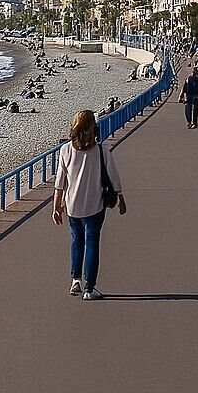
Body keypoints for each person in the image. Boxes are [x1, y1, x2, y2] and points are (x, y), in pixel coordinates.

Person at [52, 109, 127, 301]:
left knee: (77, 242)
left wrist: (56, 207)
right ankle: (89, 288)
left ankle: (75, 279)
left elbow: (60, 182)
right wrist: (120, 196)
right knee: (92, 242)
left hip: (72, 206)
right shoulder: (101, 149)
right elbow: (113, 176)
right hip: (94, 205)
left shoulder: (66, 149)